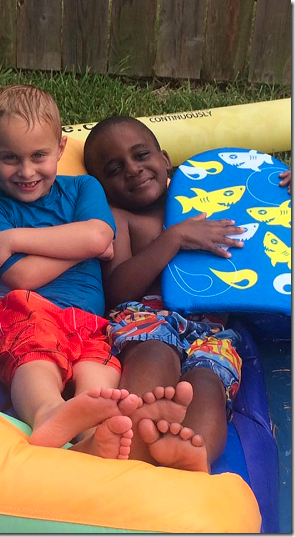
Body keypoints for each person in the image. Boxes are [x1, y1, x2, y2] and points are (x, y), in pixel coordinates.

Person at [84, 115, 268, 472]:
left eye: (141, 155)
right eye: (114, 168)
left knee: (210, 381)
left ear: (165, 159)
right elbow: (116, 290)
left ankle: (192, 453)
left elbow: (265, 225)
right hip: (148, 319)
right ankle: (132, 444)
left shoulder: (212, 204)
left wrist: (283, 190)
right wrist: (173, 239)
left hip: (212, 330)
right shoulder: (120, 217)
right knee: (154, 354)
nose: (133, 169)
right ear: (100, 186)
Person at [0, 86, 144, 460]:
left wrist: (15, 239)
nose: (26, 171)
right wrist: (85, 246)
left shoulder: (83, 187)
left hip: (90, 322)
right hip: (27, 308)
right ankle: (48, 412)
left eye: (39, 155)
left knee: (99, 368)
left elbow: (99, 234)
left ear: (61, 149)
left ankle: (94, 432)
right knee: (34, 351)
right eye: (10, 158)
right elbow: (22, 278)